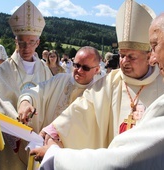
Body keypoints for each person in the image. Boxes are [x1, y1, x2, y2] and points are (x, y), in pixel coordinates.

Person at [29, 0, 164, 160]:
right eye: (121, 55)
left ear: (148, 56)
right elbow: (84, 108)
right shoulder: (111, 81)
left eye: (131, 56)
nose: (124, 61)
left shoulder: (161, 82)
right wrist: (55, 130)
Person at [0, 0, 52, 169]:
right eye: (21, 42)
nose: (26, 47)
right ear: (15, 41)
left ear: (38, 43)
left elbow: (50, 100)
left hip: (38, 136)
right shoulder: (6, 69)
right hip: (11, 137)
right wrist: (19, 126)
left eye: (31, 42)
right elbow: (0, 101)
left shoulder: (45, 70)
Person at [17, 46, 101, 133]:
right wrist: (26, 101)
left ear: (97, 69)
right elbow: (39, 90)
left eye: (85, 68)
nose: (79, 70)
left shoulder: (97, 93)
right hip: (44, 141)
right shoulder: (60, 79)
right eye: (77, 65)